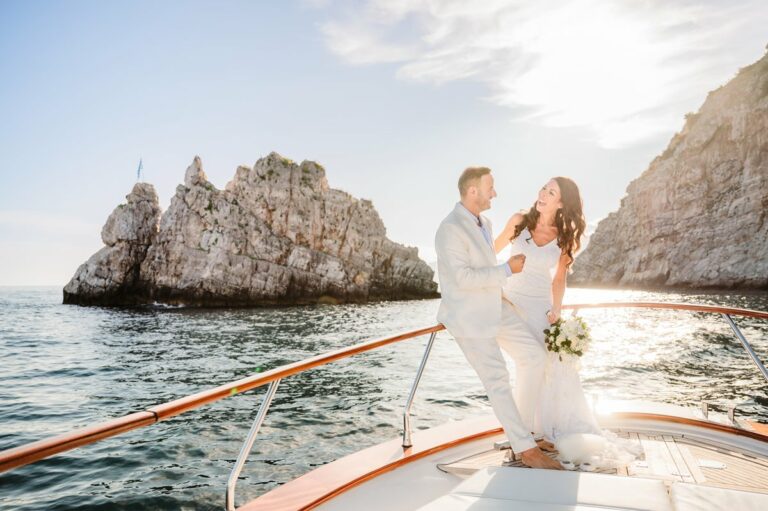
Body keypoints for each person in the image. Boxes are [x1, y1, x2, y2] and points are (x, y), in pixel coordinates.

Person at [435, 166, 563, 470]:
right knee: (497, 379)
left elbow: (484, 262)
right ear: (473, 191)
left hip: (496, 304)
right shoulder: (449, 228)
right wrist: (507, 270)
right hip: (469, 316)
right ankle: (525, 449)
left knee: (534, 356)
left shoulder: (486, 222)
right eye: (490, 188)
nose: (495, 193)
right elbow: (462, 278)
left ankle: (525, 434)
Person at [494, 177, 598, 442]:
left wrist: (557, 310)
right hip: (507, 301)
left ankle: (532, 431)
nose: (542, 194)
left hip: (539, 307)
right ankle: (520, 432)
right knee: (526, 363)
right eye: (543, 188)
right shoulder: (519, 221)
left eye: (551, 192)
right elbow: (491, 250)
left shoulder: (563, 238)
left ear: (561, 203)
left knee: (543, 368)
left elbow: (559, 279)